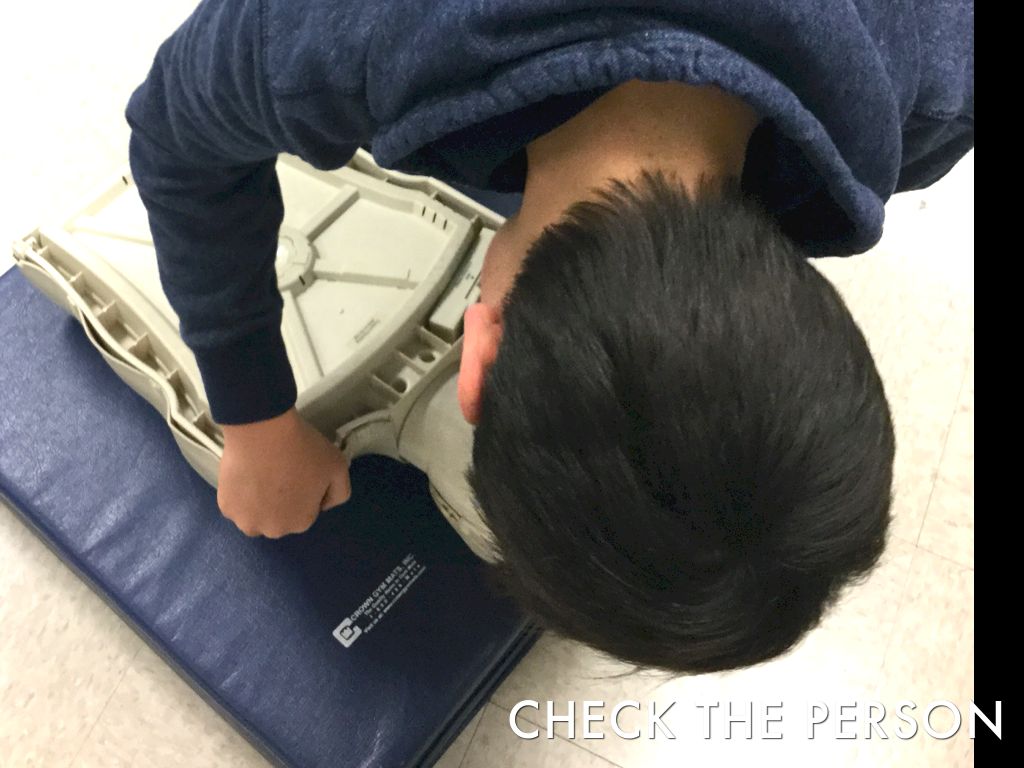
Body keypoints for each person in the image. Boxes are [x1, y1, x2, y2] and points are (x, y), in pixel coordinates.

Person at [127, 0, 973, 672]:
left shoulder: (941, 73)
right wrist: (253, 417)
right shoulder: (340, 34)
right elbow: (172, 133)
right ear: (477, 356)